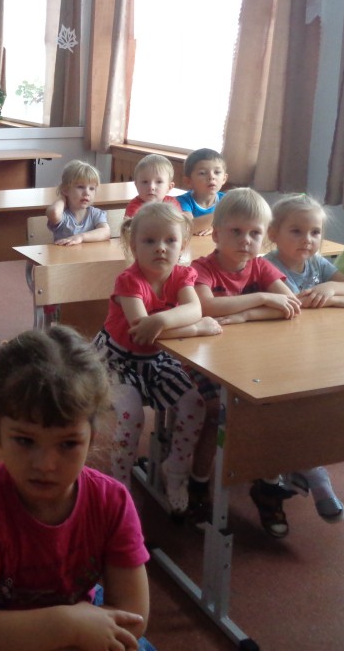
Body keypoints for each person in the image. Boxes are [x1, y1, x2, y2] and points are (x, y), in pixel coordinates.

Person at [0, 326, 151, 651]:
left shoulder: (112, 502)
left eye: (68, 444)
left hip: (80, 623)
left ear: (91, 438)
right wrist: (67, 626)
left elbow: (133, 618)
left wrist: (75, 628)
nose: (46, 465)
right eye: (25, 440)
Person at [92, 202, 223, 514]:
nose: (161, 248)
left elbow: (194, 309)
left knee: (194, 404)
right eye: (149, 241)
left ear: (183, 244)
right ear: (133, 245)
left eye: (170, 240)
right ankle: (121, 486)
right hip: (117, 360)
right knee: (132, 416)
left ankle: (175, 470)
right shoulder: (129, 280)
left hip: (157, 359)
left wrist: (163, 320)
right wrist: (193, 328)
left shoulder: (182, 275)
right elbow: (142, 331)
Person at [191, 187, 302, 537]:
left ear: (264, 237)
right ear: (216, 234)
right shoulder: (202, 268)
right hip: (204, 358)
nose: (245, 240)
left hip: (252, 359)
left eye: (255, 233)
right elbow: (207, 306)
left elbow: (290, 306)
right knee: (215, 413)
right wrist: (263, 299)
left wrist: (244, 315)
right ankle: (198, 482)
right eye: (236, 231)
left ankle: (267, 486)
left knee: (276, 408)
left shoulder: (261, 266)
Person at [262, 194, 344, 522]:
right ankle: (305, 472)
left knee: (324, 406)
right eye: (296, 231)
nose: (307, 239)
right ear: (273, 233)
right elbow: (292, 304)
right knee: (286, 413)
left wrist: (333, 290)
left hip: (309, 352)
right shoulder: (266, 265)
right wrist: (334, 300)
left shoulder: (319, 264)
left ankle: (305, 464)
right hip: (273, 357)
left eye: (315, 232)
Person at [45, 160, 111, 245]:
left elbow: (106, 232)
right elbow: (54, 213)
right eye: (80, 187)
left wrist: (81, 237)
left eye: (91, 188)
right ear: (65, 189)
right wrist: (62, 198)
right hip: (65, 253)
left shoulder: (95, 214)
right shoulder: (63, 216)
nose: (87, 193)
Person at [176, 148, 228, 236]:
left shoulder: (227, 200)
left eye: (217, 172)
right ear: (188, 181)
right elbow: (189, 227)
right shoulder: (182, 201)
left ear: (224, 179)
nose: (211, 177)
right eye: (202, 173)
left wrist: (215, 227)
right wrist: (223, 215)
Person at [124, 154, 183, 218]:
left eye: (159, 182)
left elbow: (180, 222)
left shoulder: (173, 204)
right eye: (145, 182)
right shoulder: (134, 209)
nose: (151, 187)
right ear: (136, 185)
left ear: (169, 187)